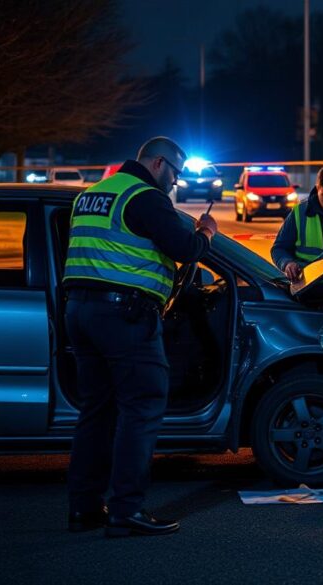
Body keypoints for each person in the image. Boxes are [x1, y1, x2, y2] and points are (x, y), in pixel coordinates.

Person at [63, 136, 218, 537]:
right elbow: (184, 248)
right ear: (158, 163)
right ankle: (125, 510)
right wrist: (206, 233)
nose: (176, 182)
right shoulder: (146, 197)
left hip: (80, 312)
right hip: (124, 317)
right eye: (175, 173)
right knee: (142, 409)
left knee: (95, 412)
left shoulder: (93, 195)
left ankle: (83, 508)